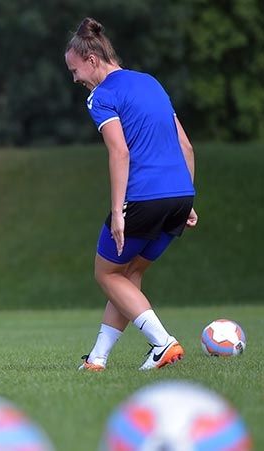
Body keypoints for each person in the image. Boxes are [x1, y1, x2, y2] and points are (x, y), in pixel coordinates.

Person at [64, 18, 197, 371]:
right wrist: (189, 198)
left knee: (106, 274)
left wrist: (118, 212)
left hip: (143, 198)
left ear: (91, 60)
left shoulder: (102, 96)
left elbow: (119, 152)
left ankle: (162, 342)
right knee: (128, 275)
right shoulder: (150, 82)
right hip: (179, 195)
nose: (75, 78)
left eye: (75, 70)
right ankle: (98, 358)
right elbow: (185, 144)